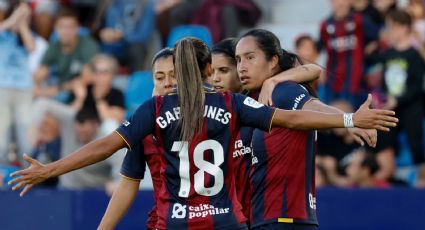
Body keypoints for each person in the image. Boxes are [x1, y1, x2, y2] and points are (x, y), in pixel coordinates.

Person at [9, 38, 397, 229]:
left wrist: (50, 170)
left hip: (176, 221)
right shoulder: (232, 106)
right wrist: (347, 121)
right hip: (227, 220)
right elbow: (290, 118)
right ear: (211, 69)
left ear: (177, 70)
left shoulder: (153, 111)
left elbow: (105, 146)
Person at [235, 29, 379, 229]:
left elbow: (311, 106)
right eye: (238, 60)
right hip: (271, 220)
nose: (241, 67)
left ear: (273, 60)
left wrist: (348, 120)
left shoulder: (282, 91)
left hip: (284, 220)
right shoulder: (254, 97)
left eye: (250, 58)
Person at [211, 38, 323, 225]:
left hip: (265, 217)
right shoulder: (215, 113)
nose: (215, 79)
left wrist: (349, 121)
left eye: (223, 70)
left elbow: (314, 70)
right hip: (236, 220)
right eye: (210, 72)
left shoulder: (260, 103)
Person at [100, 48, 175, 230]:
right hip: (163, 221)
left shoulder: (212, 115)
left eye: (174, 75)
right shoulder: (145, 124)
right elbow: (128, 183)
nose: (167, 83)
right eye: (159, 78)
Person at [375, 9, 425, 166]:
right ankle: (387, 172)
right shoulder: (388, 54)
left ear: (404, 28)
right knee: (385, 140)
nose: (388, 31)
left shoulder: (414, 55)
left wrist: (397, 100)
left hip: (411, 106)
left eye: (391, 27)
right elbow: (384, 82)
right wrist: (382, 98)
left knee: (414, 141)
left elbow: (417, 87)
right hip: (390, 106)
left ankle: (420, 175)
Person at [33, 6, 99, 100]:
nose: (66, 32)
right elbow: (39, 75)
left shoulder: (88, 45)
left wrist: (55, 90)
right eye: (62, 27)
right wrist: (37, 88)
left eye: (70, 27)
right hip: (60, 92)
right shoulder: (54, 46)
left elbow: (87, 78)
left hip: (86, 96)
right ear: (55, 29)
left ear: (77, 28)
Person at [0, 2, 35, 165]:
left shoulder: (28, 35)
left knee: (25, 133)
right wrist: (14, 17)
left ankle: (29, 168)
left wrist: (22, 25)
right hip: (3, 88)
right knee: (1, 135)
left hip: (24, 90)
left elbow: (31, 47)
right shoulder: (3, 35)